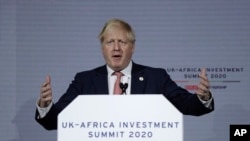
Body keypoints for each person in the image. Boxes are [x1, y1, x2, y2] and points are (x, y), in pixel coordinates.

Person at [35, 18, 214, 130]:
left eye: (122, 42)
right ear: (102, 48)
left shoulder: (156, 78)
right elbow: (56, 121)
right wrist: (45, 105)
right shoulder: (85, 81)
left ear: (133, 48)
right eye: (110, 42)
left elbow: (187, 105)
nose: (116, 48)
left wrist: (202, 97)